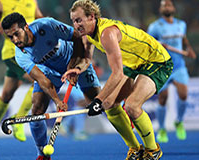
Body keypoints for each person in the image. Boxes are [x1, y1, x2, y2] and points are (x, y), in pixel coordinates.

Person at [63, 0, 174, 159]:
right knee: (109, 105)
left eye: (79, 20)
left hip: (156, 60)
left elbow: (117, 74)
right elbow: (87, 60)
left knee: (131, 106)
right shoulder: (87, 35)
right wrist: (77, 69)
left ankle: (153, 150)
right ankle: (135, 149)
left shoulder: (106, 33)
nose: (76, 25)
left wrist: (97, 100)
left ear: (91, 17)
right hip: (132, 62)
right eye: (73, 21)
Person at [1, 12, 101, 160]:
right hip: (49, 72)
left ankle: (134, 139)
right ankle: (42, 155)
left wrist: (74, 66)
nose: (15, 40)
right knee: (37, 110)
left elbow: (78, 38)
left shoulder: (46, 25)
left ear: (26, 27)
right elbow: (42, 79)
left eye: (16, 34)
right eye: (10, 37)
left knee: (100, 100)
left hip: (72, 58)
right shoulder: (20, 55)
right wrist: (57, 101)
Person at [0, 0, 43, 155]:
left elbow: (39, 18)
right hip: (12, 53)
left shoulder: (31, 1)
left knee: (7, 94)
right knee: (39, 80)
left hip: (30, 52)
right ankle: (19, 119)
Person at [147, 0, 197, 143]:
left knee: (183, 95)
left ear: (173, 8)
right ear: (161, 9)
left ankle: (179, 122)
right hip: (163, 67)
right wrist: (158, 45)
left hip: (179, 66)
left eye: (169, 5)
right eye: (164, 5)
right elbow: (149, 44)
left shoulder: (181, 24)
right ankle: (162, 129)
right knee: (163, 98)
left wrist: (189, 49)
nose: (167, 7)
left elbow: (183, 38)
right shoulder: (155, 26)